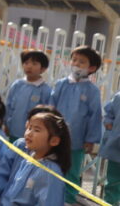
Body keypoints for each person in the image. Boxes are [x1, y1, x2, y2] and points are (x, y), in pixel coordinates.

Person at [50, 45, 102, 204]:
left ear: (91, 68)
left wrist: (91, 139)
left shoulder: (92, 91)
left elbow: (95, 115)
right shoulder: (61, 84)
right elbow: (51, 107)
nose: (76, 64)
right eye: (74, 60)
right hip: (55, 137)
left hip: (77, 141)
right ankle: (49, 197)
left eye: (82, 62)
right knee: (52, 168)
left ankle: (68, 200)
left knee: (72, 172)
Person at [0, 111, 70, 206]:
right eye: (29, 128)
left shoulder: (49, 172)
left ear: (54, 141)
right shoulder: (27, 161)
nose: (29, 133)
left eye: (36, 130)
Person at [5, 50, 52, 142]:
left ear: (43, 69)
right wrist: (6, 123)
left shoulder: (46, 91)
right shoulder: (17, 85)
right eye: (26, 63)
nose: (29, 66)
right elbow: (9, 106)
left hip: (34, 136)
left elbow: (47, 114)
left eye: (34, 64)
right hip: (14, 131)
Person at [100, 91, 120, 205]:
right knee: (113, 181)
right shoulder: (118, 97)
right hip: (116, 147)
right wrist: (109, 125)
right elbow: (109, 113)